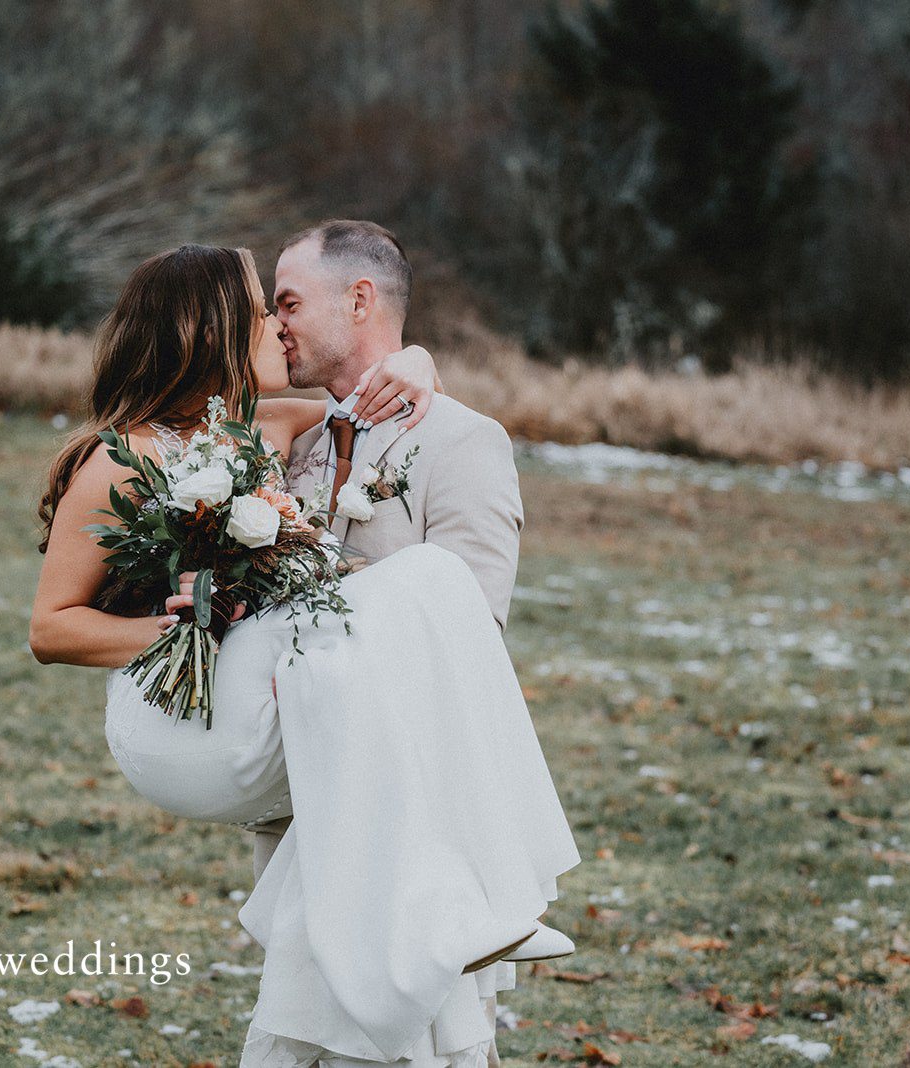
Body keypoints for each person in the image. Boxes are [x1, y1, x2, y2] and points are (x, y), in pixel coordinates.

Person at [29, 241, 580, 1067]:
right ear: (211, 329)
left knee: (418, 586)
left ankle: (460, 922)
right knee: (414, 582)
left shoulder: (269, 427)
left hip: (273, 703)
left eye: (282, 306)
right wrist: (184, 630)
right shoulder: (123, 457)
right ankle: (504, 888)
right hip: (178, 715)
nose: (275, 327)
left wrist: (418, 362)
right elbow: (50, 628)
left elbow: (360, 406)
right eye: (262, 310)